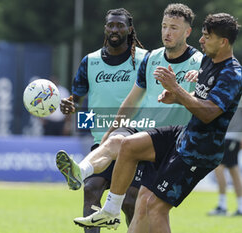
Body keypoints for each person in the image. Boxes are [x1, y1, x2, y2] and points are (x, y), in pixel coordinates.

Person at [72, 13, 242, 233]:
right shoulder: (208, 60)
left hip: (199, 150)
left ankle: (108, 204)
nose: (201, 40)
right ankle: (110, 210)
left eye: (207, 36)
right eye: (202, 35)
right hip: (182, 135)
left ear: (223, 42)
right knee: (129, 148)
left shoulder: (232, 73)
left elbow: (209, 113)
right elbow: (197, 98)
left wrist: (176, 89)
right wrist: (175, 96)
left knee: (154, 207)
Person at [56, 3, 202, 230]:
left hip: (172, 142)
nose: (167, 32)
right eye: (164, 26)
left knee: (145, 205)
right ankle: (80, 172)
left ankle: (111, 207)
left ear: (187, 32)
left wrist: (180, 92)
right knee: (97, 181)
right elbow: (131, 102)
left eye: (173, 28)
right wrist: (108, 131)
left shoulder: (197, 63)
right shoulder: (150, 59)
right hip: (141, 133)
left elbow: (207, 102)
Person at [57, 8, 147, 233]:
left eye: (120, 25)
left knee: (130, 200)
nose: (115, 29)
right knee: (91, 188)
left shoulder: (144, 60)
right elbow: (75, 100)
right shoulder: (90, 61)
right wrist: (69, 106)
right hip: (104, 142)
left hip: (137, 141)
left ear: (130, 29)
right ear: (105, 28)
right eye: (111, 25)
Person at [208, 81, 242, 216]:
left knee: (219, 167)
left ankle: (222, 206)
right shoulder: (226, 84)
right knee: (234, 170)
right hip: (225, 134)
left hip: (233, 135)